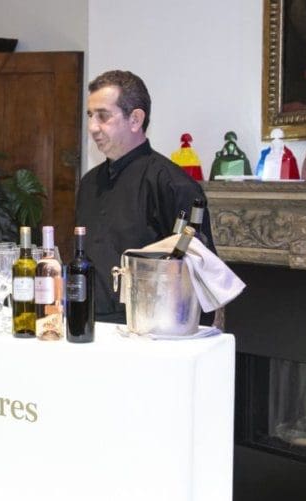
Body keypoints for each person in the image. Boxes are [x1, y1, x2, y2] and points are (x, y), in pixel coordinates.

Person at [75, 70, 215, 324]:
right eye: (90, 115)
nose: (92, 127)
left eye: (103, 116)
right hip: (89, 323)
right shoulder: (89, 183)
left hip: (149, 329)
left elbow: (198, 277)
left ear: (135, 119)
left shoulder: (173, 184)